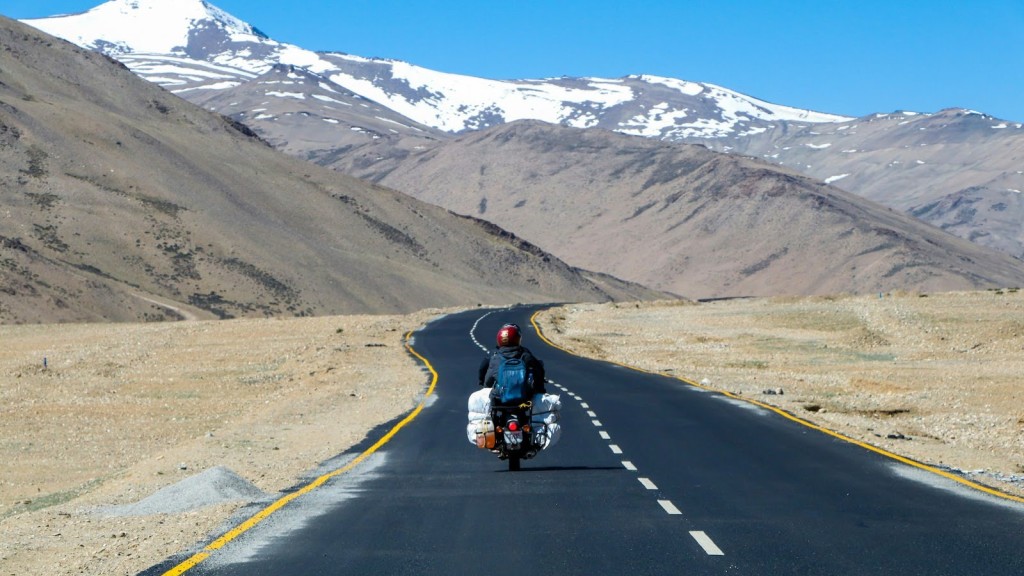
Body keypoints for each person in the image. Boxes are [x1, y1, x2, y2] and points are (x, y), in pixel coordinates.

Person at [478, 323, 547, 399]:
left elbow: (485, 373)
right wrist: (540, 389)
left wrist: (483, 384)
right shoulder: (526, 355)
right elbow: (539, 369)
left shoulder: (495, 356)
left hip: (499, 396)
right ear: (518, 338)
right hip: (524, 396)